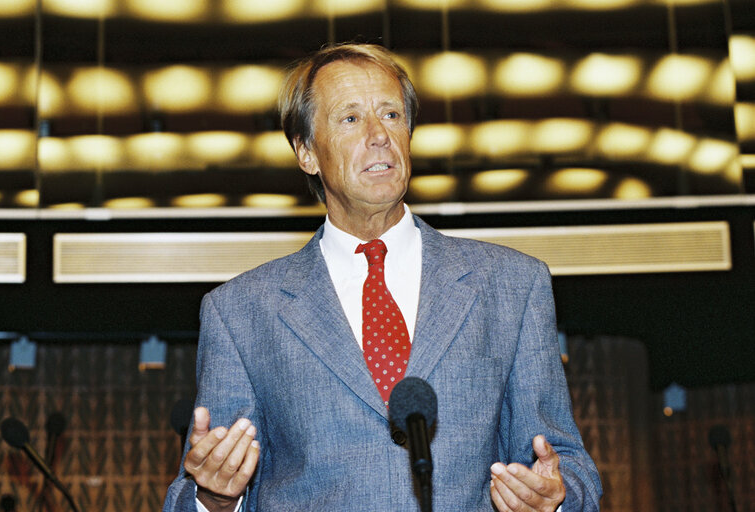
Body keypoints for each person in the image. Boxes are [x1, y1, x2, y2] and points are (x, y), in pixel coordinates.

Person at [163, 43, 602, 512]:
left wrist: (554, 499)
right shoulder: (240, 312)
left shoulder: (513, 286)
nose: (378, 135)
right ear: (307, 152)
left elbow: (567, 465)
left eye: (391, 114)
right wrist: (212, 495)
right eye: (350, 119)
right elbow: (196, 489)